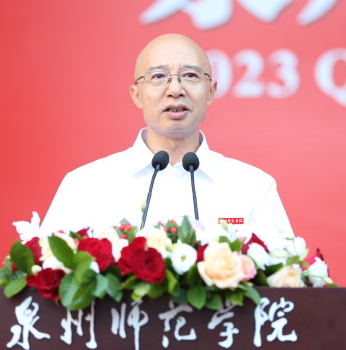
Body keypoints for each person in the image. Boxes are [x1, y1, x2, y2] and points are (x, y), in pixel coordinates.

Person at [40, 33, 294, 248]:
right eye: (158, 77)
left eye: (191, 75)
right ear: (137, 95)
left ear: (211, 92)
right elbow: (47, 274)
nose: (175, 90)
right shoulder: (85, 186)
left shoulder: (253, 187)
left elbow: (286, 278)